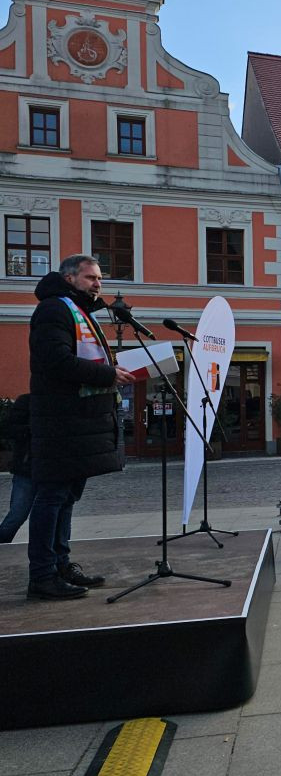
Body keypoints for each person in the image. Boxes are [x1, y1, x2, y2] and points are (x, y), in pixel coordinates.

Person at [27, 254, 135, 600]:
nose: (97, 284)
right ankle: (42, 575)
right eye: (90, 278)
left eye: (99, 278)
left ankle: (61, 564)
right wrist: (107, 374)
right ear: (70, 278)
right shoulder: (53, 310)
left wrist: (110, 369)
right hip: (60, 421)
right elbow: (55, 361)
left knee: (67, 498)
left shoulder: (79, 311)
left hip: (78, 421)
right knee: (52, 497)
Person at [0, 394, 32, 543]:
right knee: (18, 514)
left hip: (48, 467)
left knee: (57, 513)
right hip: (27, 467)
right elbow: (8, 429)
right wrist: (31, 430)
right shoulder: (26, 402)